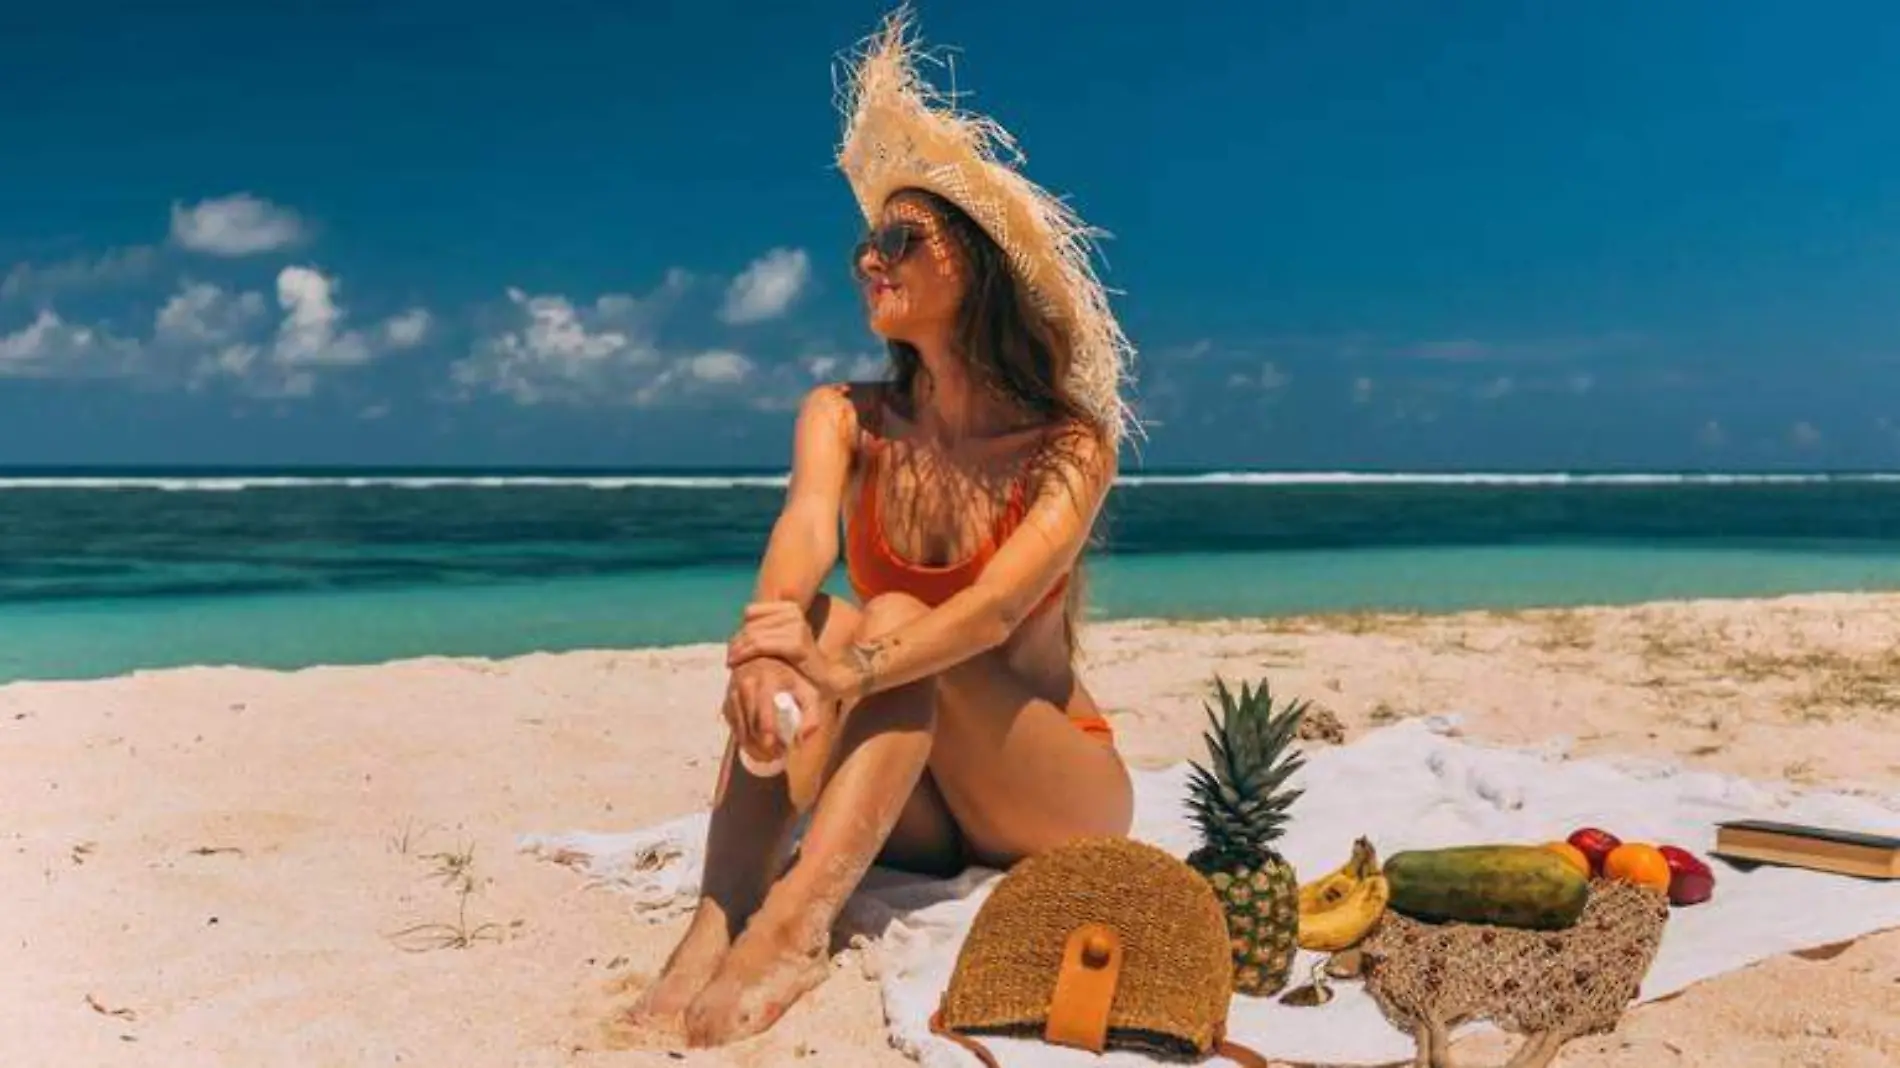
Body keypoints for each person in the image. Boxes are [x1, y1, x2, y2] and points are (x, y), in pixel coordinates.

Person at [624, 8, 1143, 1047]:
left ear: (976, 266)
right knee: (811, 614)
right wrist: (769, 646)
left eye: (899, 239)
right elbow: (804, 532)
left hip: (1043, 791)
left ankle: (796, 921)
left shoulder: (1066, 445)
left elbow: (994, 613)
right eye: (866, 241)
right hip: (907, 795)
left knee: (890, 615)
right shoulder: (842, 416)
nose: (868, 259)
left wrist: (846, 674)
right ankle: (716, 917)